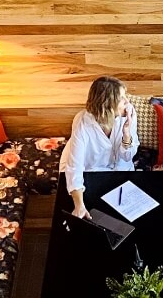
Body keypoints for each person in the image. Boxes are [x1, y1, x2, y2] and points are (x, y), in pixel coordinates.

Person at [59, 76, 138, 218]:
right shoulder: (82, 122)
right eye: (121, 98)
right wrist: (79, 206)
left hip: (122, 171)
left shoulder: (128, 114)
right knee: (95, 216)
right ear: (107, 104)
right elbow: (75, 167)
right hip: (93, 172)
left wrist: (126, 134)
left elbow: (127, 157)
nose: (127, 101)